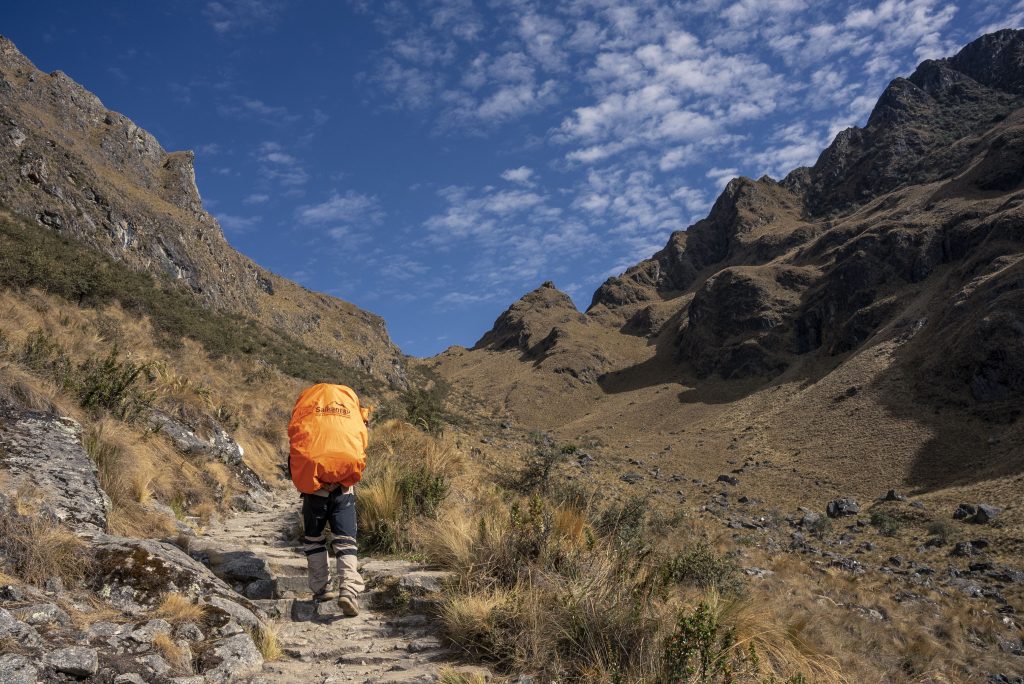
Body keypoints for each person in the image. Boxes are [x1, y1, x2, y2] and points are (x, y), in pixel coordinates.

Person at [288, 383, 371, 616]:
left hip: (314, 491)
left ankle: (322, 588)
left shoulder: (309, 408)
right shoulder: (350, 410)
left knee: (314, 539)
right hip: (343, 487)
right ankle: (348, 590)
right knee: (345, 540)